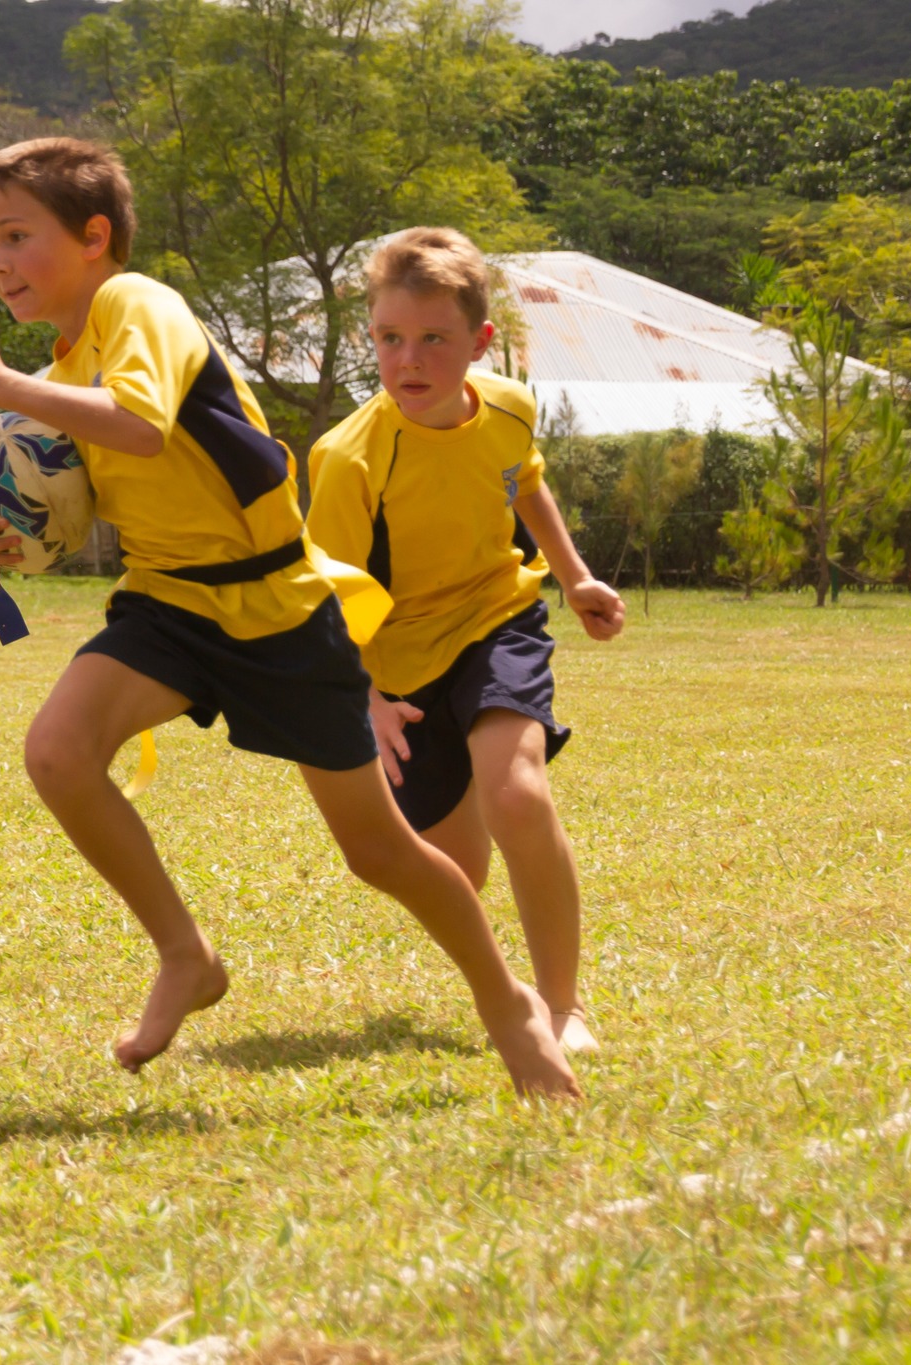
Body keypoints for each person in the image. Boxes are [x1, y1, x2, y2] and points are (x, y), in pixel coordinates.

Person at [0, 139, 580, 1097]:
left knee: (382, 851)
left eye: (19, 235)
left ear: (95, 236)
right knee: (58, 751)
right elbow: (80, 501)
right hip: (169, 601)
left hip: (277, 604)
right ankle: (186, 955)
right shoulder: (65, 360)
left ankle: (510, 1004)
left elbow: (142, 423)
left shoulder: (135, 304)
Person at [307, 227, 626, 1055]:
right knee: (455, 875)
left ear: (481, 341)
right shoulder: (346, 459)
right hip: (396, 671)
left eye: (433, 339)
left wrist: (575, 575)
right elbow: (322, 600)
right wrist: (365, 700)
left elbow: (523, 482)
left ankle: (563, 1008)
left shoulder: (509, 408)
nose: (407, 359)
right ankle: (506, 984)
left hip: (496, 622)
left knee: (517, 791)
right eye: (388, 338)